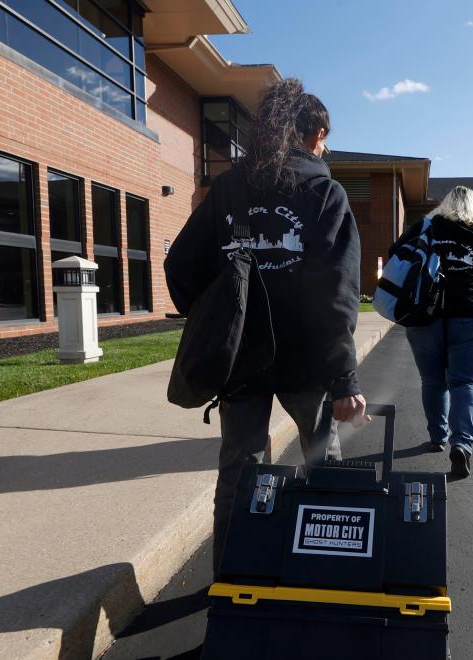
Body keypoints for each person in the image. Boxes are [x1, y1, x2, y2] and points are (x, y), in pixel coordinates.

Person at [164, 78, 366, 571]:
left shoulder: (230, 187)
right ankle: (324, 572)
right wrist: (344, 379)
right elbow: (336, 294)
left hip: (241, 360)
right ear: (314, 133)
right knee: (323, 464)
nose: (327, 145)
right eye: (325, 136)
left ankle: (231, 581)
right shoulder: (324, 192)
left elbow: (181, 266)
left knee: (239, 471)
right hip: (306, 364)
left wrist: (219, 319)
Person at [392, 186, 473, 478]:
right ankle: (462, 445)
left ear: (444, 204)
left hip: (424, 316)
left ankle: (437, 437)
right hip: (472, 315)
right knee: (466, 383)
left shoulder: (425, 228)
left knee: (432, 381)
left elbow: (396, 255)